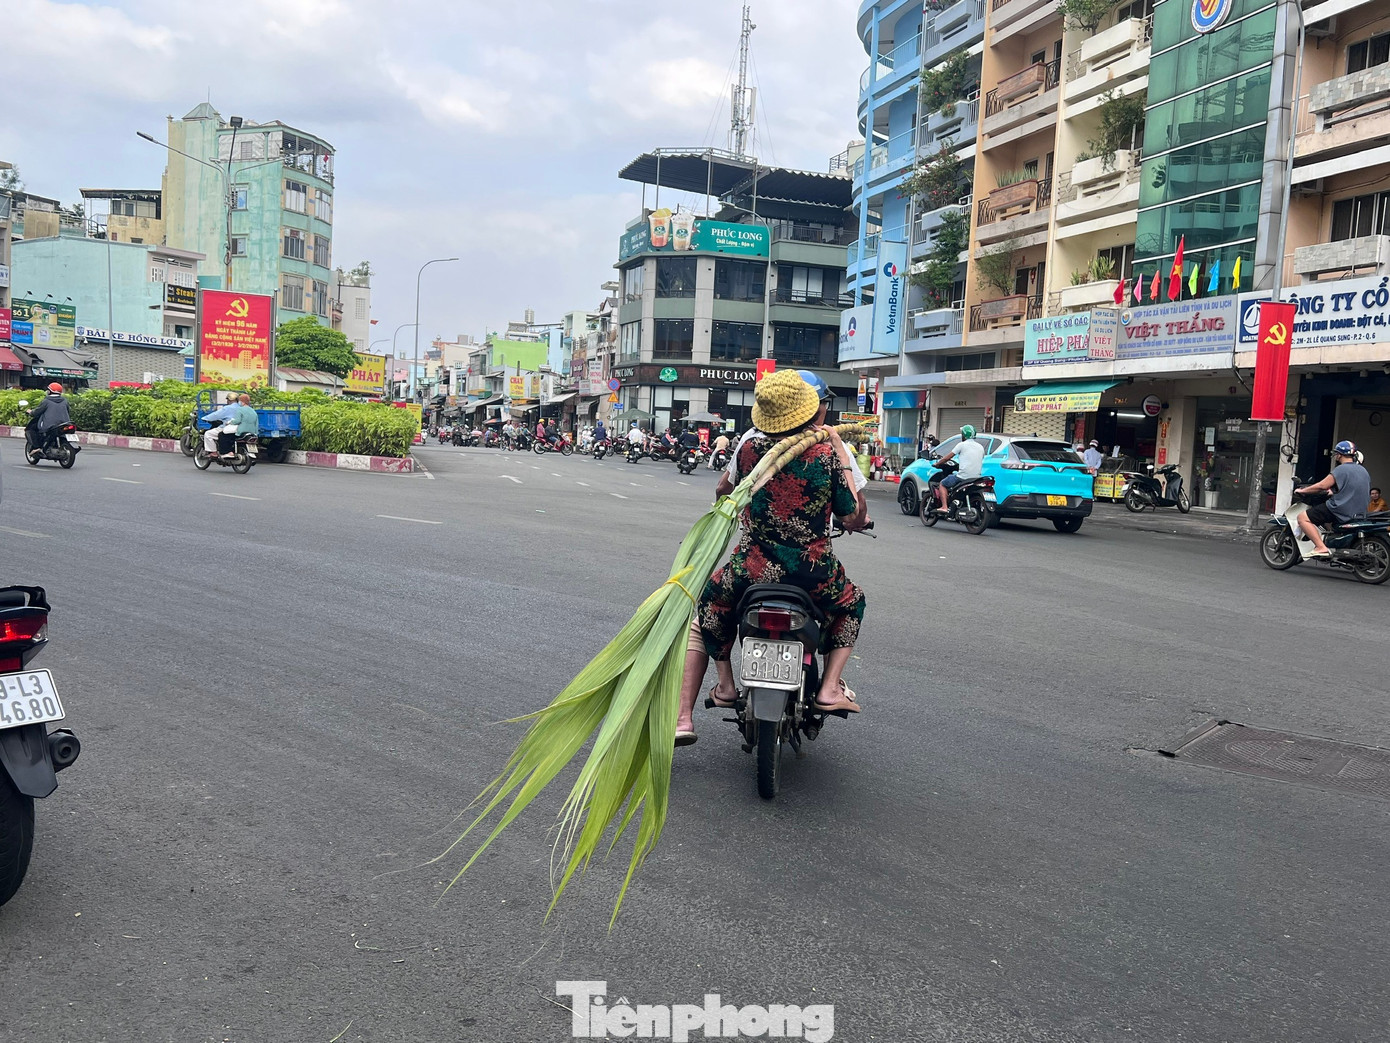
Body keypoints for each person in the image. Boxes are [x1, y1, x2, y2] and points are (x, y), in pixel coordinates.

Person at [676, 371, 869, 745]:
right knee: (852, 604)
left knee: (709, 607)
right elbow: (850, 516)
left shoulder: (749, 449)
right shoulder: (827, 453)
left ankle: (724, 685)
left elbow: (725, 491)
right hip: (813, 573)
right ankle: (830, 687)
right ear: (810, 410)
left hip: (751, 569)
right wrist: (841, 453)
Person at [1295, 440, 1371, 557]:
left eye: (1336, 453)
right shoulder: (1363, 470)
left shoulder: (1341, 469)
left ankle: (1320, 547)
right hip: (1359, 511)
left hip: (1341, 509)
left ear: (1339, 455)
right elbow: (1351, 488)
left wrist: (1303, 490)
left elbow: (1322, 486)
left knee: (1302, 518)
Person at [24, 383, 71, 455]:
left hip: (49, 425)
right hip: (65, 424)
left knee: (31, 429)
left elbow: (37, 412)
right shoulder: (65, 400)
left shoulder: (46, 401)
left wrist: (30, 412)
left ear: (50, 391)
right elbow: (68, 411)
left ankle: (36, 447)